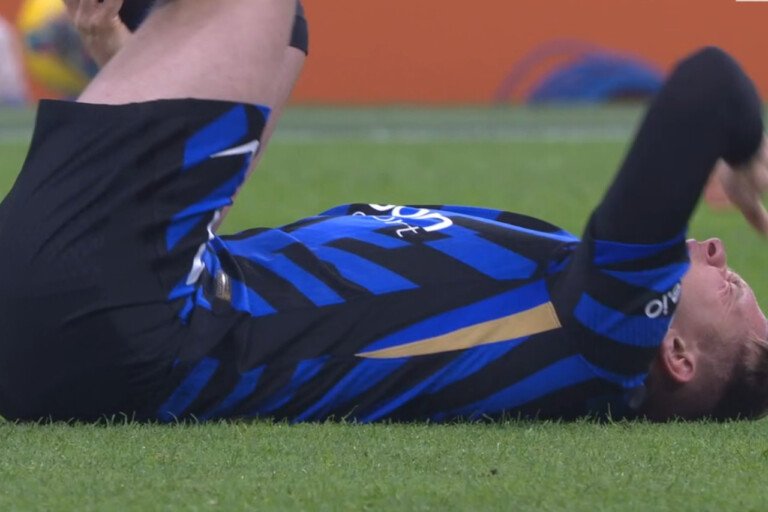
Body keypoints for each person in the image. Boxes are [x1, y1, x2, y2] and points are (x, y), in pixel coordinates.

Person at [1, 0, 767, 424]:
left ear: (676, 354)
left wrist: (751, 154)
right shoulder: (556, 292)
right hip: (106, 323)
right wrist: (131, 56)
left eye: (731, 291)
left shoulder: (611, 332)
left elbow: (710, 89)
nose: (717, 254)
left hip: (128, 320)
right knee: (284, 33)